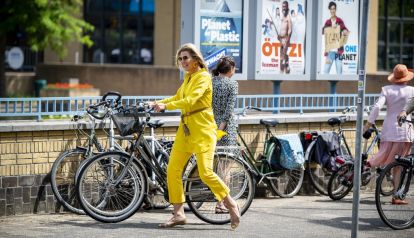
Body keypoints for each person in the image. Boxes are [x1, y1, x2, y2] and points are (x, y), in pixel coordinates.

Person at [151, 43, 240, 229]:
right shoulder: (188, 78)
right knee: (173, 170)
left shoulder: (203, 77)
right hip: (186, 131)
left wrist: (166, 107)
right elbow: (177, 98)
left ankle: (230, 203)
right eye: (180, 58)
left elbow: (190, 100)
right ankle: (178, 214)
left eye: (186, 58)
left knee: (206, 173)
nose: (183, 61)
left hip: (203, 130)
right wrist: (158, 102)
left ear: (196, 59)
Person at [363, 64, 414, 205]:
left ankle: (370, 165)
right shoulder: (411, 91)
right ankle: (396, 195)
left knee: (386, 156)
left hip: (388, 130)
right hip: (404, 131)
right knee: (399, 165)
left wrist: (368, 124)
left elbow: (377, 107)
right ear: (406, 78)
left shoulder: (386, 89)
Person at [211, 56, 238, 214]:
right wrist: (220, 130)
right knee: (225, 168)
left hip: (209, 125)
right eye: (234, 69)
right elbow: (228, 112)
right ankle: (221, 204)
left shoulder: (210, 82)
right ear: (230, 69)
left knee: (215, 166)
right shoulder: (232, 84)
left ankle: (219, 201)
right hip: (225, 129)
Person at [322, 1, 349, 74]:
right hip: (330, 51)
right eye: (331, 9)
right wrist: (331, 27)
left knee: (339, 72)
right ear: (329, 10)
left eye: (334, 9)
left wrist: (344, 31)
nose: (332, 10)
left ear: (335, 9)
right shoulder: (328, 22)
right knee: (325, 71)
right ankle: (331, 85)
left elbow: (345, 29)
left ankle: (335, 85)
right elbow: (322, 31)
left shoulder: (339, 21)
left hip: (338, 52)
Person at [278, 1, 292, 74]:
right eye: (283, 6)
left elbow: (290, 30)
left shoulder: (288, 17)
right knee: (283, 56)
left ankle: (283, 71)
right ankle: (286, 68)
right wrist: (279, 36)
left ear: (287, 7)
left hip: (285, 40)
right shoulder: (282, 17)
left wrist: (287, 40)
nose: (284, 8)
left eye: (285, 6)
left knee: (282, 57)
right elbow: (281, 29)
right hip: (281, 39)